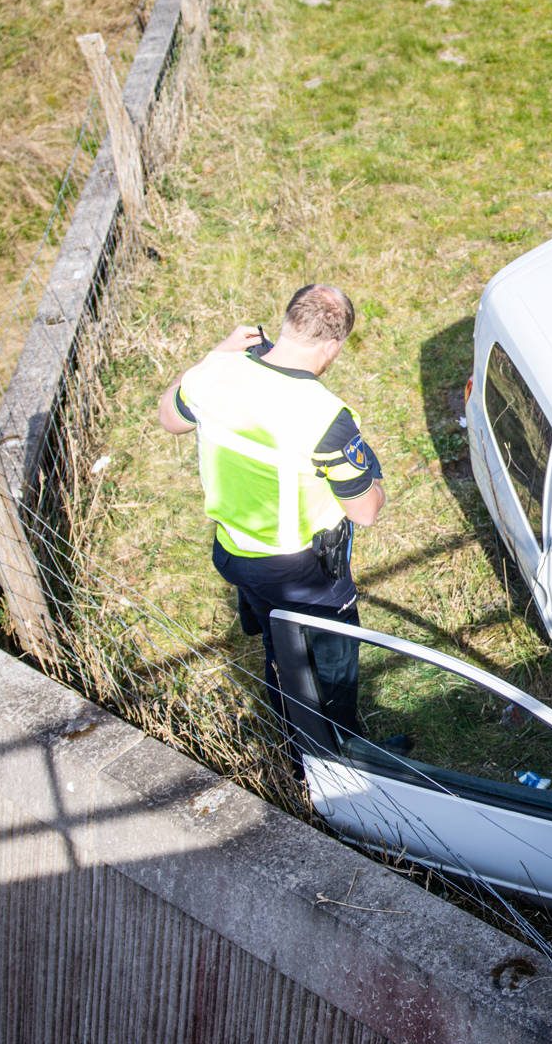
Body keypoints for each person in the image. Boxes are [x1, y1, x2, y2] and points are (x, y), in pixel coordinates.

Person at [157, 283, 389, 750]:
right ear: (332, 345)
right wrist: (376, 482)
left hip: (236, 549)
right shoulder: (325, 417)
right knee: (332, 668)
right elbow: (365, 512)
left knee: (279, 643)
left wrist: (215, 356)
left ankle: (288, 733)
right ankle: (337, 754)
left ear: (286, 324)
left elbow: (170, 417)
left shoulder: (215, 375)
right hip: (301, 571)